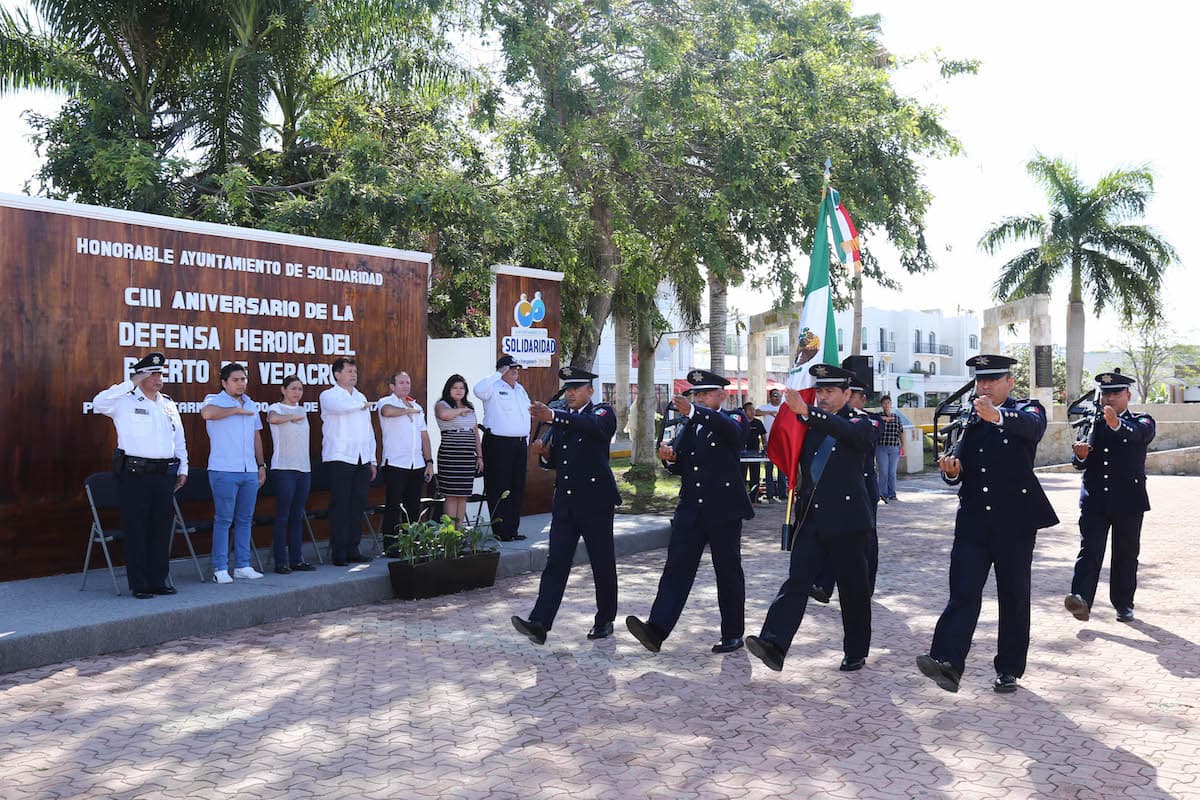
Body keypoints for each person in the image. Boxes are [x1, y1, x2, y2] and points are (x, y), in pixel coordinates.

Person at [916, 354, 1058, 694]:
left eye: (993, 380)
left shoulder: (1028, 409)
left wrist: (996, 416)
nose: (985, 386)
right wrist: (952, 471)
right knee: (963, 591)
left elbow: (1033, 428)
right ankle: (948, 662)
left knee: (1013, 595)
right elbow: (957, 461)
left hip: (1015, 521)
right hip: (974, 519)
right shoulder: (967, 416)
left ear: (1009, 382)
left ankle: (1009, 668)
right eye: (981, 380)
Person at [744, 365, 876, 674]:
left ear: (847, 394)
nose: (823, 397)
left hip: (848, 521)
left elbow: (849, 434)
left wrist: (808, 413)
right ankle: (774, 644)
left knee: (853, 590)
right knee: (797, 581)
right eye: (820, 391)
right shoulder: (810, 422)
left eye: (830, 392)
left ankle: (855, 651)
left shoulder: (861, 423)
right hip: (813, 519)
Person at [626, 369, 754, 655]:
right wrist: (669, 460)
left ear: (722, 395)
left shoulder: (733, 418)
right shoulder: (689, 425)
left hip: (723, 509)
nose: (697, 399)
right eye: (695, 394)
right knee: (676, 568)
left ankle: (733, 633)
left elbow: (732, 433)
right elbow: (685, 465)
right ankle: (657, 629)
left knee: (728, 572)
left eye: (704, 394)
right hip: (691, 509)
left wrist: (696, 412)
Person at [512, 366, 621, 644]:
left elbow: (594, 428)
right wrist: (545, 454)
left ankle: (605, 618)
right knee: (557, 561)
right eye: (567, 389)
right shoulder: (561, 421)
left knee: (601, 562)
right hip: (566, 501)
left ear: (590, 390)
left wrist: (553, 416)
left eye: (576, 388)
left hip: (596, 501)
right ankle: (540, 622)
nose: (570, 393)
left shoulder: (602, 413)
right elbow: (557, 461)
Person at [91, 352, 188, 598]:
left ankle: (158, 580)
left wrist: (183, 467)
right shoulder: (124, 401)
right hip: (135, 475)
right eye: (152, 374)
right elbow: (98, 402)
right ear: (141, 376)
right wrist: (130, 383)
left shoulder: (167, 403)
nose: (158, 378)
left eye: (160, 373)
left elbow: (179, 439)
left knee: (161, 529)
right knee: (137, 530)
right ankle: (140, 583)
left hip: (164, 474)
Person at [1065, 371, 1155, 624]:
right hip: (1095, 499)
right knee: (1090, 550)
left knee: (1125, 554)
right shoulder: (1090, 422)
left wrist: (1115, 423)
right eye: (1106, 393)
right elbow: (1078, 462)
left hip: (1129, 500)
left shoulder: (1142, 421)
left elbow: (1139, 435)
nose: (1110, 398)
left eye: (1116, 393)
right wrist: (1081, 455)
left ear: (1128, 395)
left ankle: (1123, 604)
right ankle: (1081, 599)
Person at [809, 373, 881, 604]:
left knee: (866, 541)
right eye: (820, 392)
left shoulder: (868, 421)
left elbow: (858, 437)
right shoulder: (825, 420)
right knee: (833, 537)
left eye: (858, 397)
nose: (856, 401)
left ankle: (866, 585)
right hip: (836, 491)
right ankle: (825, 583)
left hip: (862, 488)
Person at [201, 362, 267, 583]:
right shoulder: (214, 400)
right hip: (224, 470)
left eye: (243, 379)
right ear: (224, 382)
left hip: (249, 470)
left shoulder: (251, 403)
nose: (241, 384)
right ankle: (220, 567)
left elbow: (256, 436)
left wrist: (261, 465)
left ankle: (242, 565)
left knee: (245, 520)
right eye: (236, 380)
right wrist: (235, 410)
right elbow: (207, 414)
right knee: (223, 520)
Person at [320, 357, 377, 566]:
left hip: (361, 457)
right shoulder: (329, 395)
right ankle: (339, 552)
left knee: (357, 505)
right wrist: (363, 405)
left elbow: (369, 431)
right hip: (340, 456)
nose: (354, 374)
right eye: (349, 371)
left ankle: (354, 548)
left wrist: (372, 459)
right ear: (337, 374)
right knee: (340, 506)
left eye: (355, 371)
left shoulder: (361, 396)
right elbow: (341, 407)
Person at [473, 355, 532, 541]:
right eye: (511, 368)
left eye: (517, 368)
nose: (515, 371)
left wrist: (526, 439)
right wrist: (498, 374)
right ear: (502, 369)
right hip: (499, 443)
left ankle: (512, 528)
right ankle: (501, 530)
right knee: (499, 486)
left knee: (517, 486)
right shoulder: (493, 387)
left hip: (519, 443)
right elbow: (477, 390)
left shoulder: (520, 389)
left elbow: (526, 415)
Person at [266, 375, 315, 574]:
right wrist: (291, 417)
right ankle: (281, 561)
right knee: (283, 516)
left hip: (303, 468)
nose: (297, 392)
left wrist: (296, 415)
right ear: (283, 390)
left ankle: (297, 559)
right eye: (293, 388)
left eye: (300, 389)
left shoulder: (302, 410)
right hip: (284, 467)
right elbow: (273, 419)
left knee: (297, 515)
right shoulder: (276, 408)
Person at [378, 371, 434, 536]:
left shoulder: (417, 407)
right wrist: (406, 411)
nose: (405, 386)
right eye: (401, 383)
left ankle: (412, 543)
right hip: (395, 463)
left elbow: (424, 436)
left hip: (416, 463)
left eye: (408, 382)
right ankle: (392, 545)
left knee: (413, 506)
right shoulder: (386, 402)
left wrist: (429, 461)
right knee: (393, 506)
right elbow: (386, 412)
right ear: (392, 386)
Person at [434, 374, 484, 527]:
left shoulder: (470, 406)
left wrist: (480, 456)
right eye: (455, 387)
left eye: (462, 388)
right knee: (451, 495)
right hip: (450, 455)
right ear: (448, 389)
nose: (458, 391)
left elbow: (475, 432)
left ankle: (459, 532)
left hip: (467, 457)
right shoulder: (442, 404)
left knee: (463, 495)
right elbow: (444, 415)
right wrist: (460, 411)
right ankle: (450, 535)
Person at [757, 388, 786, 502]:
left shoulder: (784, 407)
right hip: (769, 442)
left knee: (782, 470)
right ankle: (770, 493)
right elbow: (755, 412)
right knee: (769, 469)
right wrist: (769, 412)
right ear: (770, 397)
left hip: (782, 442)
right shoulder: (766, 407)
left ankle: (782, 494)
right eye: (774, 395)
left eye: (779, 395)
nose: (777, 397)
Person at [876, 395, 903, 503]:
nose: (886, 405)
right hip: (881, 447)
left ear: (891, 404)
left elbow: (901, 432)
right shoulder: (878, 417)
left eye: (888, 403)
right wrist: (884, 419)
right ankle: (883, 493)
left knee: (892, 472)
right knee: (883, 471)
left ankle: (892, 494)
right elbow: (872, 420)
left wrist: (903, 446)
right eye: (884, 403)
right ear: (881, 405)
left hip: (894, 447)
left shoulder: (897, 417)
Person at [741, 401, 768, 502]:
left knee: (755, 476)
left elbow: (763, 437)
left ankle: (754, 498)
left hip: (755, 453)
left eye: (753, 409)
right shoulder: (740, 422)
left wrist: (765, 447)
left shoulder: (758, 423)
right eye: (750, 410)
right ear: (744, 411)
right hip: (742, 454)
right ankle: (742, 498)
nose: (752, 411)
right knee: (741, 475)